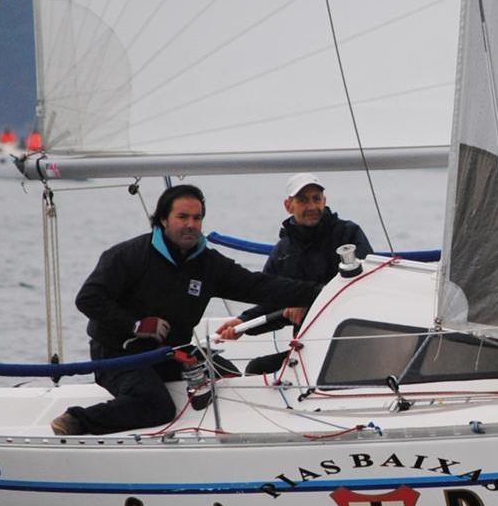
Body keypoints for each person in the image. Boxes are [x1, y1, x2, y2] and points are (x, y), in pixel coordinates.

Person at [50, 184, 323, 436]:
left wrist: (323, 291)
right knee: (156, 405)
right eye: (182, 217)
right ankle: (76, 420)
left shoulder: (207, 264)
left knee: (231, 380)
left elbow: (259, 286)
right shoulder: (129, 255)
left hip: (171, 352)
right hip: (119, 354)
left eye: (197, 218)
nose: (191, 225)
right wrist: (136, 325)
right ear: (163, 219)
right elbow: (88, 298)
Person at [214, 173, 373, 340]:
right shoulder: (283, 252)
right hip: (309, 342)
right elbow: (271, 302)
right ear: (288, 206)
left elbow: (367, 285)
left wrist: (308, 304)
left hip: (353, 333)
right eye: (303, 200)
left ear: (324, 201)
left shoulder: (348, 233)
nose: (312, 206)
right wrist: (243, 322)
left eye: (316, 198)